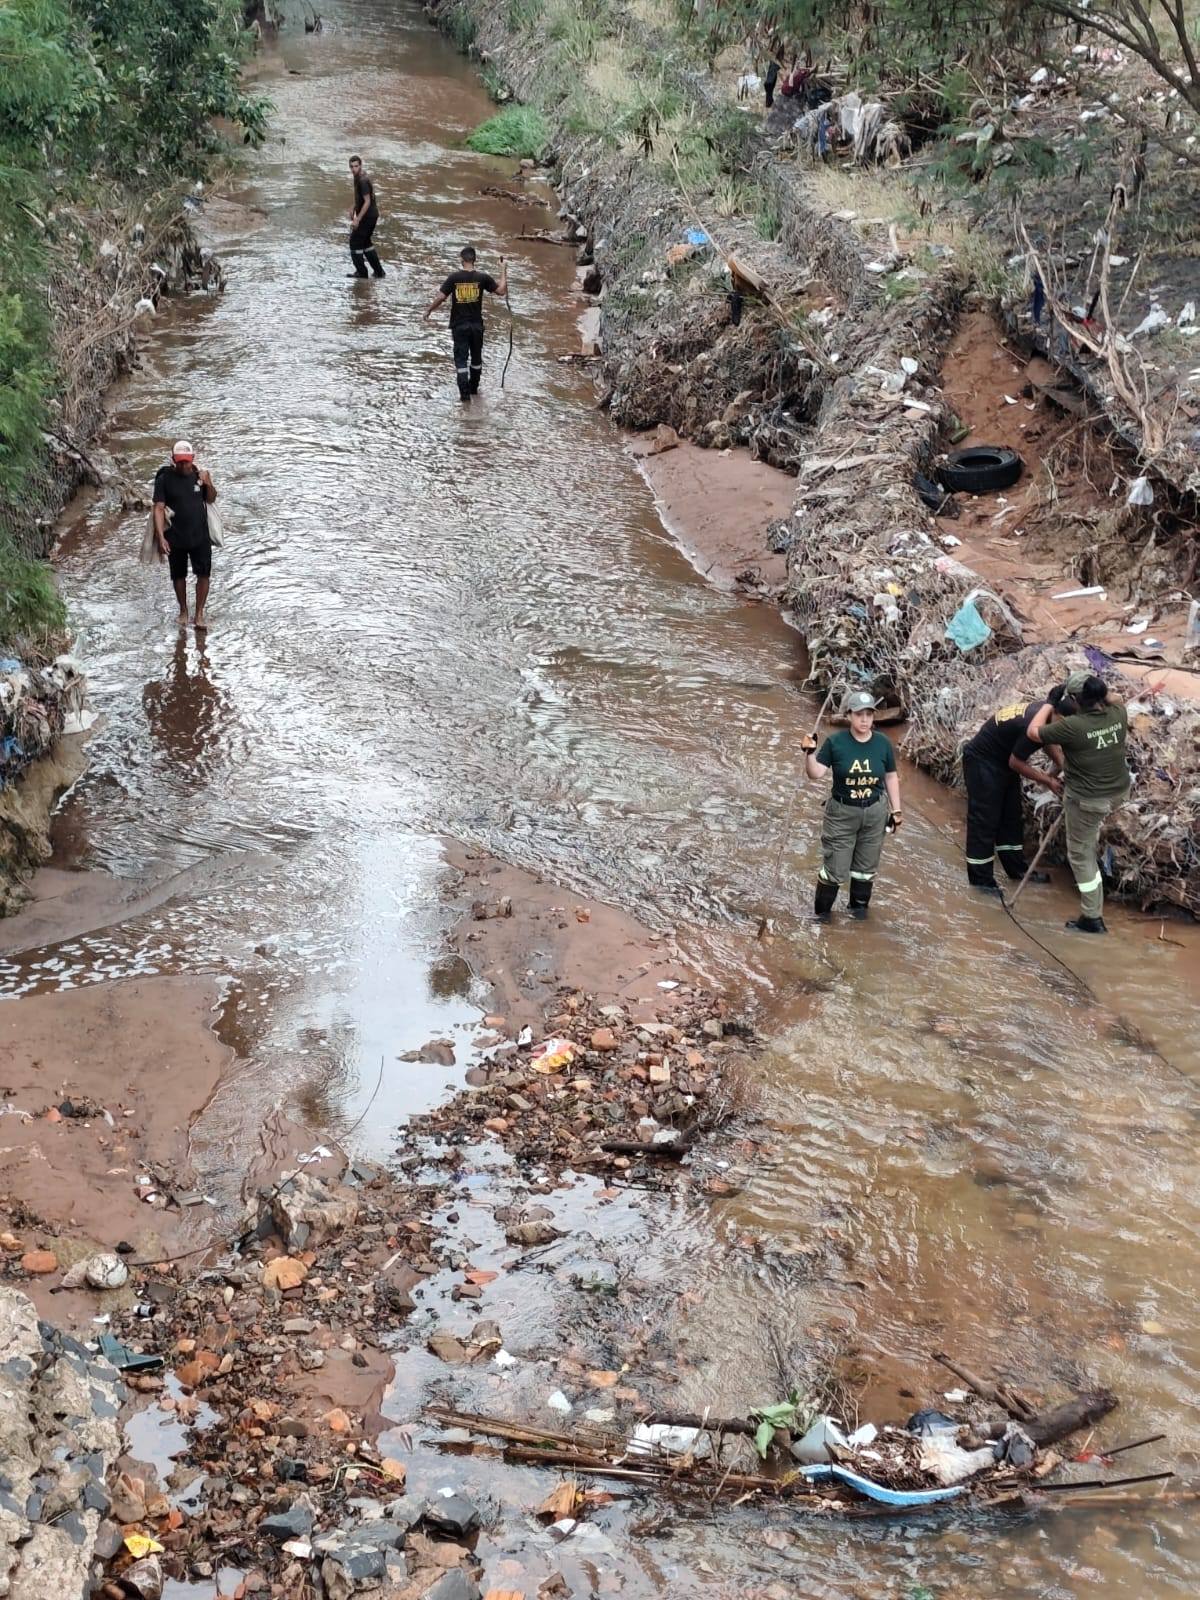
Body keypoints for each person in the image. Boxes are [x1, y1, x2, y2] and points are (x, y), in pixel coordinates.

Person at [1027, 671, 1131, 934]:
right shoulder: (1118, 713)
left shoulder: (1073, 727)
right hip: (1117, 793)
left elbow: (1033, 732)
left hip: (1088, 800)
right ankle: (1091, 843)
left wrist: (1049, 703)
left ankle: (1092, 917)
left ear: (1074, 701)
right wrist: (1101, 693)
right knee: (1087, 838)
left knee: (1080, 856)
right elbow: (1116, 698)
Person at [802, 690, 902, 921]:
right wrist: (809, 753)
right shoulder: (835, 743)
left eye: (869, 714)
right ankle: (822, 920)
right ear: (848, 715)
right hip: (841, 814)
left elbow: (890, 776)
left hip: (875, 813)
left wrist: (896, 810)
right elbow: (815, 774)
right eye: (859, 714)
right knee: (835, 871)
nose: (864, 720)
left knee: (865, 871)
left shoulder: (882, 743)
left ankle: (858, 920)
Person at [961, 687, 1067, 893]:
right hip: (983, 762)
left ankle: (1016, 869)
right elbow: (1016, 762)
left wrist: (1061, 763)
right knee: (984, 820)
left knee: (1011, 817)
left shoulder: (1044, 712)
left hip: (1003, 762)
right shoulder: (1032, 723)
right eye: (1063, 722)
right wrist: (1048, 780)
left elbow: (1045, 740)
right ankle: (981, 880)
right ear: (1055, 712)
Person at [424, 246, 508, 401]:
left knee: (461, 361)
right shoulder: (483, 278)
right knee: (476, 359)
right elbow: (502, 291)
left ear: (461, 259)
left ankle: (465, 397)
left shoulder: (454, 278)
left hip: (459, 326)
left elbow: (441, 297)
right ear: (475, 260)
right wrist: (503, 269)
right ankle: (474, 390)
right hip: (477, 327)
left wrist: (429, 310)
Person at [153, 440, 216, 628]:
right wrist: (161, 537)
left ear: (192, 459)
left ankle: (199, 614)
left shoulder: (200, 475)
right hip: (175, 536)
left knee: (203, 574)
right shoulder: (164, 479)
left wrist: (208, 483)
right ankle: (183, 611)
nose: (183, 465)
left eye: (186, 461)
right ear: (173, 460)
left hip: (200, 535)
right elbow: (159, 508)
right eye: (180, 461)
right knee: (178, 575)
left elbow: (211, 499)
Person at [347, 155, 384, 279]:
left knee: (354, 242)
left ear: (360, 166)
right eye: (351, 167)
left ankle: (362, 273)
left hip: (368, 217)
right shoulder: (358, 177)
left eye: (356, 166)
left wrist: (357, 219)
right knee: (366, 242)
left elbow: (367, 201)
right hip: (372, 216)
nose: (354, 169)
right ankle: (379, 272)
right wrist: (353, 206)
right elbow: (361, 198)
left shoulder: (362, 180)